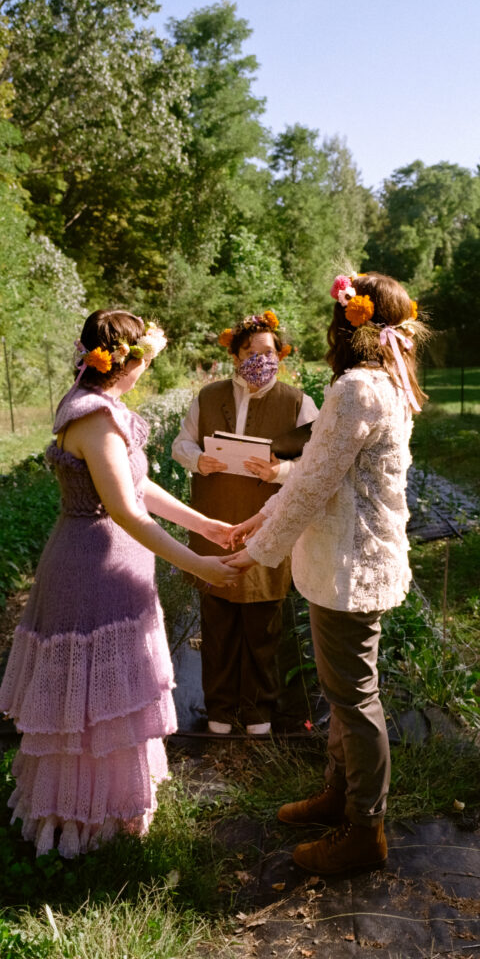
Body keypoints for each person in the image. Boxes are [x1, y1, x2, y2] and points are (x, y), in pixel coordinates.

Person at [0, 309, 240, 858]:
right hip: (91, 570)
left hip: (113, 566)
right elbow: (127, 511)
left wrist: (206, 526)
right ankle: (80, 818)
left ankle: (111, 801)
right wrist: (198, 565)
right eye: (143, 362)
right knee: (86, 701)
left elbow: (138, 484)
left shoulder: (95, 403)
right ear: (122, 363)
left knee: (106, 693)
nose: (145, 373)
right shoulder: (96, 419)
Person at [228, 273, 428, 876]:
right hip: (344, 560)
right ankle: (340, 794)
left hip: (351, 565)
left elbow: (315, 483)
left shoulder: (359, 389)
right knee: (343, 693)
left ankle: (365, 829)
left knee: (354, 696)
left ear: (350, 323)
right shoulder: (379, 383)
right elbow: (320, 469)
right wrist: (256, 522)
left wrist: (254, 548)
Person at [172, 311, 319, 736]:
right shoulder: (208, 396)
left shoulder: (297, 403)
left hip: (268, 524)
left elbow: (313, 466)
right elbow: (181, 442)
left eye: (269, 352)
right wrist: (198, 458)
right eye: (252, 352)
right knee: (216, 620)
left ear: (281, 355)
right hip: (213, 519)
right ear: (235, 355)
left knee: (263, 623)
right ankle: (219, 708)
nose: (261, 359)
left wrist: (276, 473)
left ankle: (257, 712)